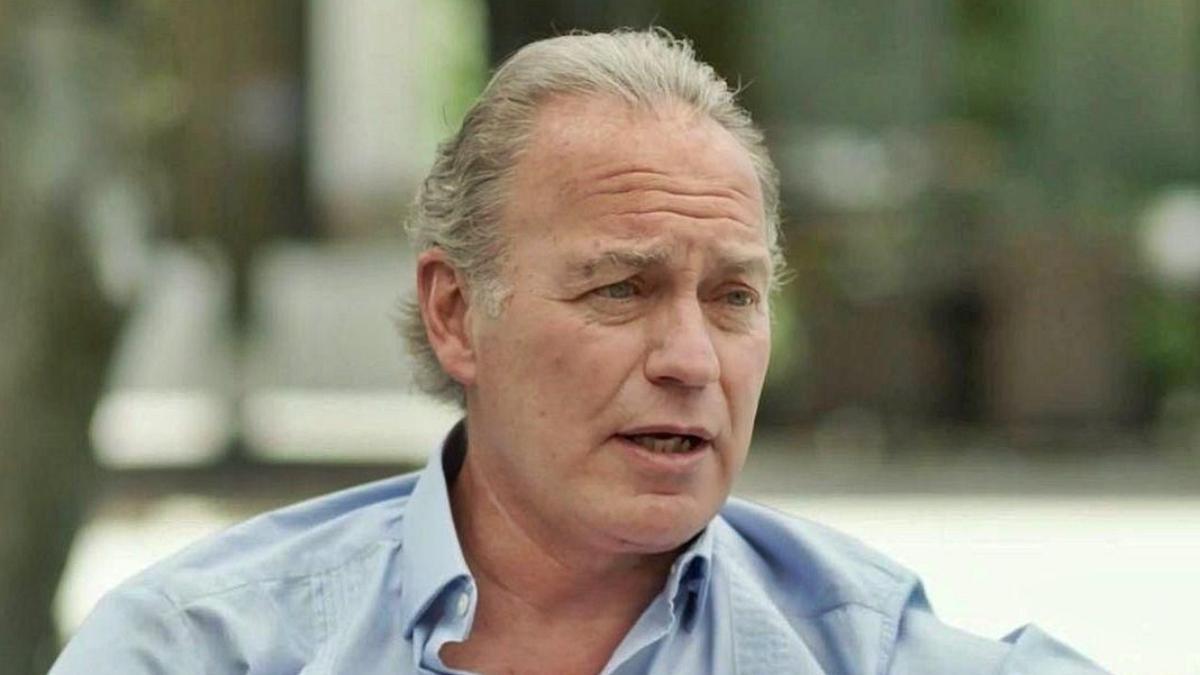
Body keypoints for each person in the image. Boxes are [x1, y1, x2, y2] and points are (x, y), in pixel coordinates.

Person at [52, 29, 1107, 674]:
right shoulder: (206, 646)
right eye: (621, 289)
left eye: (733, 297)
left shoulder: (855, 645)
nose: (691, 359)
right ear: (457, 313)